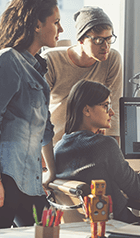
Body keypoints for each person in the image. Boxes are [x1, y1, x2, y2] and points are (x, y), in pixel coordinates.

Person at [0, 0, 63, 229]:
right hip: (6, 178)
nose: (61, 30)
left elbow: (45, 131)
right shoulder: (8, 60)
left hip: (30, 183)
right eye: (56, 22)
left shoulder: (38, 68)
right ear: (36, 24)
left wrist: (48, 173)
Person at [54, 80, 140, 223]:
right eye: (106, 106)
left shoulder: (59, 146)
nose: (112, 112)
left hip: (85, 230)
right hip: (119, 228)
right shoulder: (104, 145)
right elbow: (136, 189)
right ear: (87, 110)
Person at [42, 6, 123, 145]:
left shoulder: (112, 59)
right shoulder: (51, 60)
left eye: (109, 39)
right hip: (55, 143)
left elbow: (113, 107)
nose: (106, 47)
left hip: (90, 145)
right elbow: (40, 112)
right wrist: (44, 151)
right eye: (98, 40)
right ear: (81, 39)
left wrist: (115, 153)